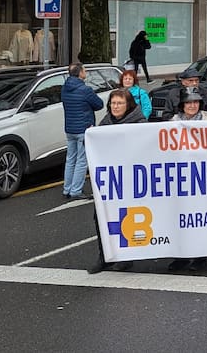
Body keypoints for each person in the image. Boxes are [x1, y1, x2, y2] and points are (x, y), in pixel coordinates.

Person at [87, 89, 144, 274]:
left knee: (128, 218)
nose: (116, 107)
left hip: (131, 179)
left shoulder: (140, 123)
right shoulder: (105, 123)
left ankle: (127, 257)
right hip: (109, 180)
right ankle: (104, 256)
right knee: (101, 216)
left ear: (128, 105)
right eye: (113, 103)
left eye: (120, 103)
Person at [168, 88, 207, 272]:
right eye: (188, 102)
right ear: (182, 105)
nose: (192, 105)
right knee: (179, 217)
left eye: (195, 102)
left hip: (203, 177)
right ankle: (180, 255)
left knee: (200, 217)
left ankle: (200, 256)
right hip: (180, 178)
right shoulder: (172, 123)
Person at [62, 63, 103, 200]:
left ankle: (67, 188)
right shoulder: (85, 90)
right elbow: (99, 104)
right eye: (84, 70)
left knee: (70, 159)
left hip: (70, 128)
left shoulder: (64, 88)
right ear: (80, 73)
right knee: (81, 160)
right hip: (83, 128)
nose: (86, 72)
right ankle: (76, 190)